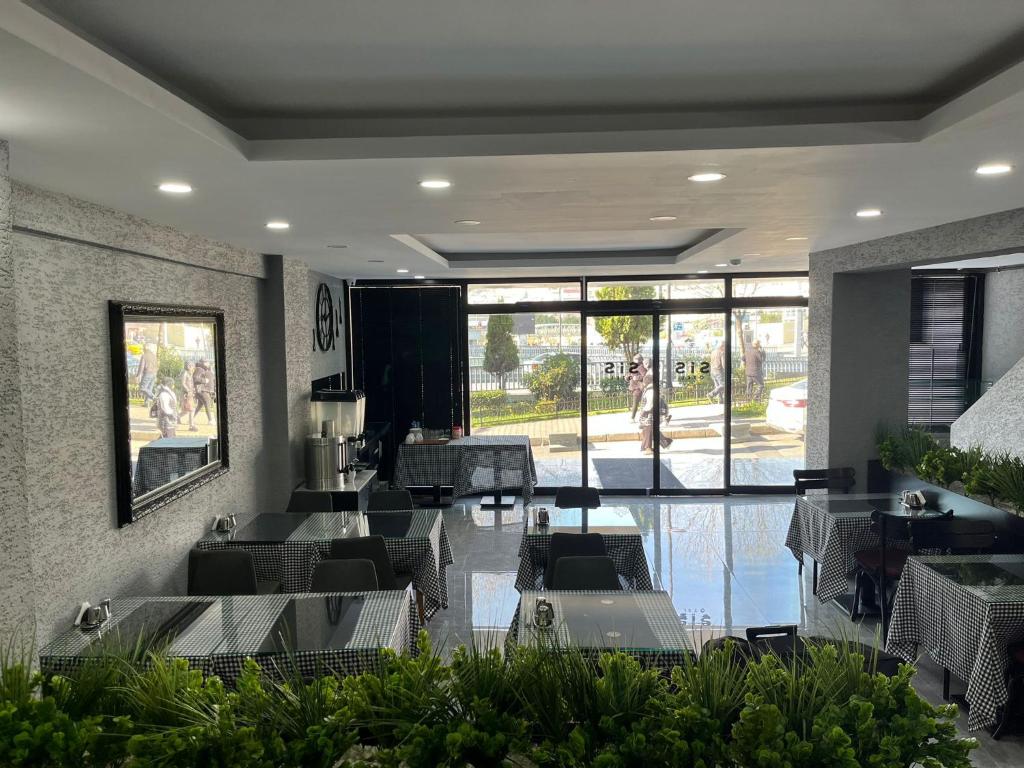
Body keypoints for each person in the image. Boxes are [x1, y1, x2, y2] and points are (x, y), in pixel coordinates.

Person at [638, 373, 673, 454]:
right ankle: (665, 442)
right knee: (650, 430)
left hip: (650, 413)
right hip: (652, 413)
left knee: (648, 429)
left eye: (644, 382)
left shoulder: (650, 390)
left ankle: (648, 448)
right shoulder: (651, 389)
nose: (643, 383)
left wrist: (644, 412)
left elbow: (650, 403)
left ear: (646, 382)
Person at [193, 359, 215, 424]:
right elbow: (195, 378)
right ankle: (210, 420)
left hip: (205, 390)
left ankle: (191, 419)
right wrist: (204, 380)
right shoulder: (199, 369)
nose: (208, 363)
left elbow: (212, 379)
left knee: (199, 406)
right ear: (202, 363)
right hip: (202, 390)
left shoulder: (206, 370)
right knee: (207, 403)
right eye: (206, 362)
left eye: (208, 362)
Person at [135, 342, 158, 406]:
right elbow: (157, 365)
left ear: (145, 348)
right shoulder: (154, 356)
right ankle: (146, 403)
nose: (143, 349)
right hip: (154, 373)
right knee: (149, 389)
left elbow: (141, 366)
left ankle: (154, 397)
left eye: (143, 348)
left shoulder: (144, 355)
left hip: (148, 373)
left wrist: (138, 375)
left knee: (142, 388)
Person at [626, 353, 647, 421]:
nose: (635, 360)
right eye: (635, 359)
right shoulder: (633, 366)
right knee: (643, 403)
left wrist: (637, 377)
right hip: (633, 387)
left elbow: (645, 376)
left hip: (638, 388)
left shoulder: (641, 367)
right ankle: (645, 416)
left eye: (637, 359)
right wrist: (627, 377)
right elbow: (629, 374)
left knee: (635, 403)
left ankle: (632, 417)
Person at [179, 361, 197, 431]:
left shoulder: (189, 373)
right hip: (186, 394)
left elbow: (190, 383)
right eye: (192, 366)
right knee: (191, 409)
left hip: (189, 394)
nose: (193, 368)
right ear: (188, 366)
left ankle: (176, 417)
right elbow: (183, 384)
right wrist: (188, 390)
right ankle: (191, 426)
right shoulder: (185, 373)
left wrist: (192, 390)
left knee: (186, 411)